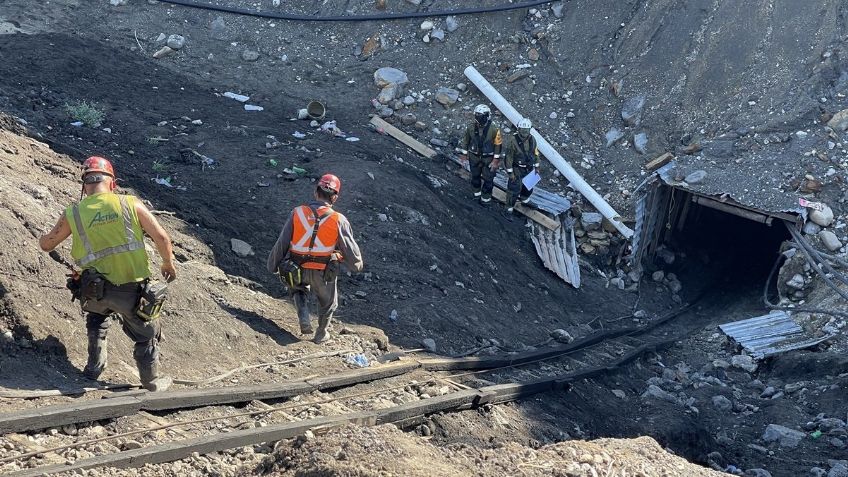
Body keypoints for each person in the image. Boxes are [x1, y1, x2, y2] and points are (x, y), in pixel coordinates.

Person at [39, 156, 177, 392]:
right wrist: (167, 263)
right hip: (131, 289)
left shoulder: (73, 213)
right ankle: (151, 381)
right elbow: (161, 237)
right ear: (112, 182)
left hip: (93, 288)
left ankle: (93, 369)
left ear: (85, 185)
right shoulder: (130, 203)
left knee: (96, 319)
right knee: (146, 333)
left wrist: (43, 237)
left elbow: (47, 244)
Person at [267, 174, 363, 344]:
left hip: (296, 268)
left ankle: (303, 314)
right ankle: (321, 333)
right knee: (329, 303)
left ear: (315, 192)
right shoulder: (339, 220)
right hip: (323, 273)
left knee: (297, 288)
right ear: (335, 197)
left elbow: (282, 242)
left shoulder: (297, 213)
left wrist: (272, 265)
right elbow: (352, 254)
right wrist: (354, 264)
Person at [458, 104, 503, 205]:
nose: (479, 118)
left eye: (481, 115)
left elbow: (498, 145)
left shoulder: (494, 129)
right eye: (477, 115)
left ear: (487, 116)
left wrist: (495, 160)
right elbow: (465, 141)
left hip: (488, 159)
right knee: (475, 177)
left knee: (488, 180)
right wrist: (464, 155)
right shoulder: (470, 128)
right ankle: (476, 195)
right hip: (474, 157)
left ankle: (485, 200)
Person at [504, 117, 541, 213]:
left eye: (527, 130)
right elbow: (509, 158)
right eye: (522, 130)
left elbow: (535, 152)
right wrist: (510, 173)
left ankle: (525, 199)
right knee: (514, 189)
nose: (524, 132)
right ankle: (508, 209)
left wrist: (537, 166)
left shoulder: (532, 139)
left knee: (529, 186)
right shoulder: (513, 141)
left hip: (529, 167)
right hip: (517, 168)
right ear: (518, 129)